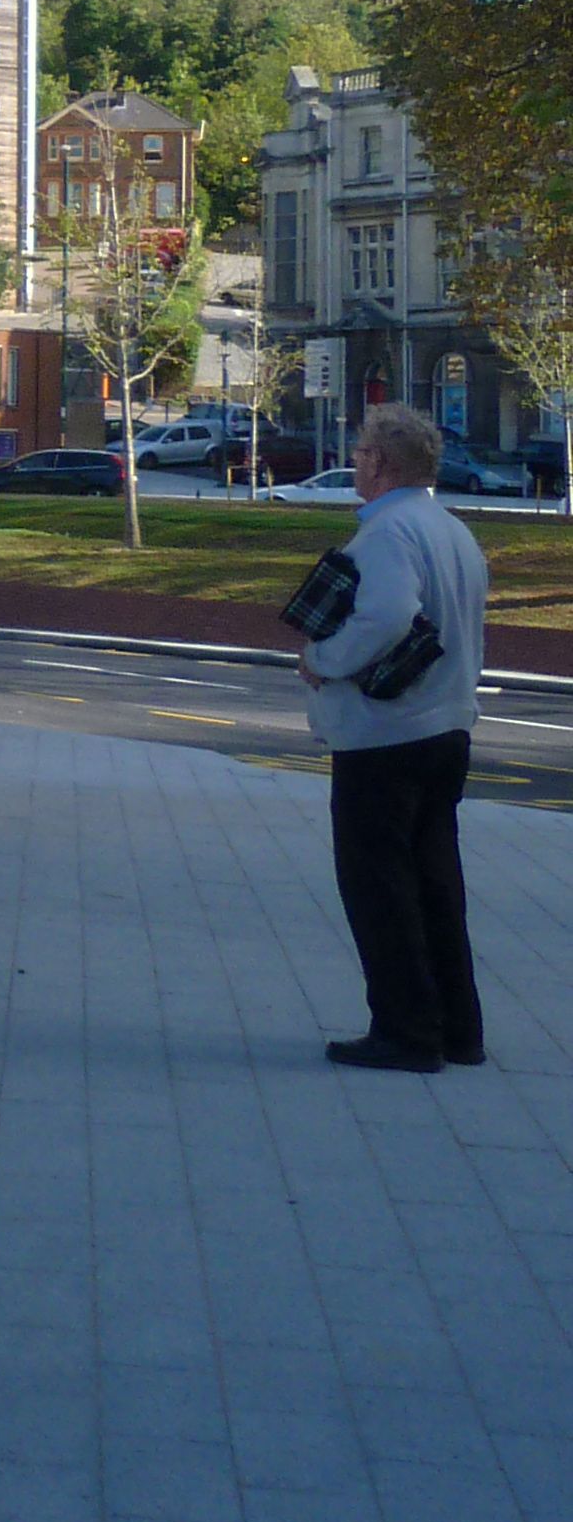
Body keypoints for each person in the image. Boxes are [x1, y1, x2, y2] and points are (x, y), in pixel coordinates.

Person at [298, 401, 490, 1072]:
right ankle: (458, 1029)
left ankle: (407, 1032)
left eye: (359, 453)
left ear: (379, 463)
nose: (355, 462)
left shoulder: (386, 533)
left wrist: (323, 661)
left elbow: (385, 616)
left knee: (379, 887)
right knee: (437, 884)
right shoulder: (453, 531)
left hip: (387, 736)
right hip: (447, 728)